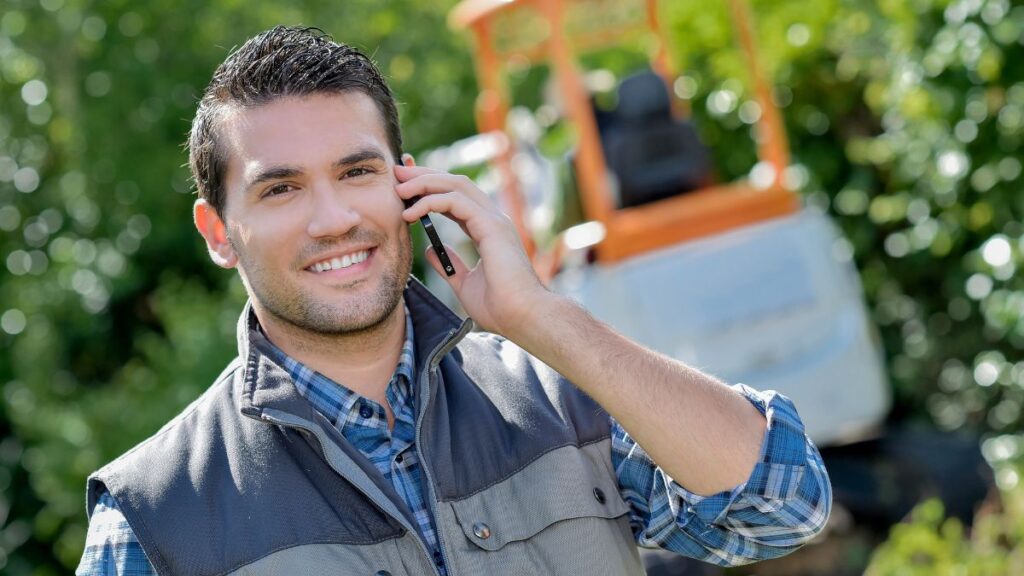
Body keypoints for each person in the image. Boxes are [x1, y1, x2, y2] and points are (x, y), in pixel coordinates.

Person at [76, 26, 831, 576]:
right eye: (281, 189)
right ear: (218, 232)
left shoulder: (562, 397)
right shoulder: (152, 517)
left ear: (410, 186)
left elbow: (779, 505)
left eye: (357, 172)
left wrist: (541, 317)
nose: (333, 217)